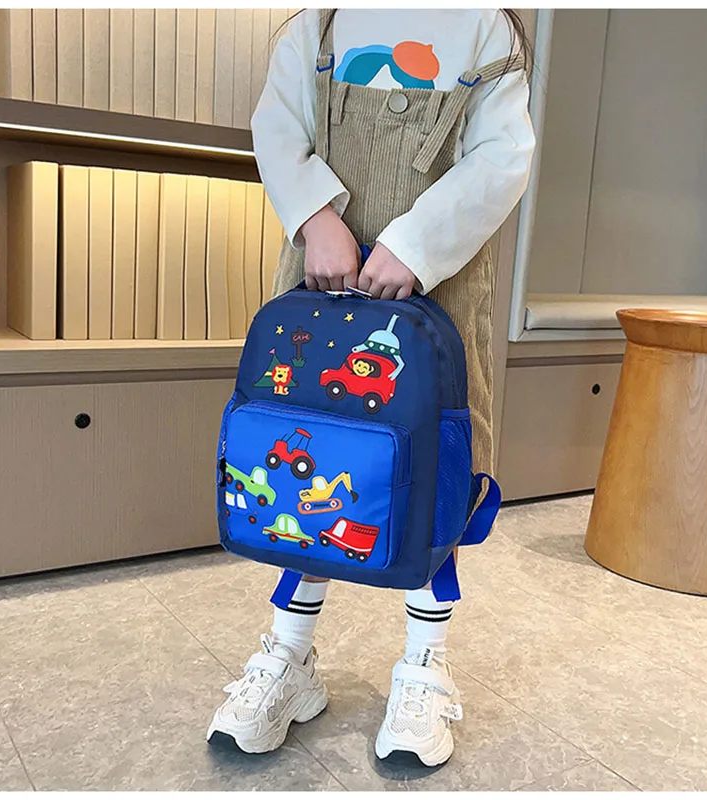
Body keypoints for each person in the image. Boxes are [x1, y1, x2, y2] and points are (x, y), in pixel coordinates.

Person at [207, 8, 536, 766]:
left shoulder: (487, 28)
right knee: (310, 463)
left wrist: (416, 245)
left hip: (441, 280)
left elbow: (502, 156)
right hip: (320, 279)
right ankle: (290, 656)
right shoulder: (318, 25)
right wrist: (315, 220)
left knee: (433, 468)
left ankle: (425, 667)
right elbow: (279, 128)